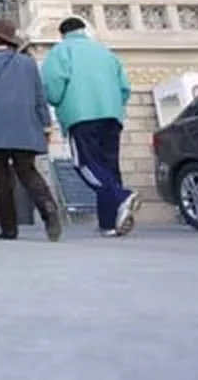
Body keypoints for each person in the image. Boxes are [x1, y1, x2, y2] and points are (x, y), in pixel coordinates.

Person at [0, 19, 62, 242]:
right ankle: (49, 210)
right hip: (25, 128)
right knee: (28, 172)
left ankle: (9, 229)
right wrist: (46, 125)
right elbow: (39, 97)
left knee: (0, 181)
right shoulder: (28, 63)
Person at [42, 16, 140, 238]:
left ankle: (121, 196)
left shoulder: (61, 51)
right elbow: (125, 88)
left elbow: (53, 88)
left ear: (62, 34)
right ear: (84, 30)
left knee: (85, 165)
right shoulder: (106, 53)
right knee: (109, 167)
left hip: (81, 115)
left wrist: (56, 102)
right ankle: (110, 222)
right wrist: (113, 104)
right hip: (112, 115)